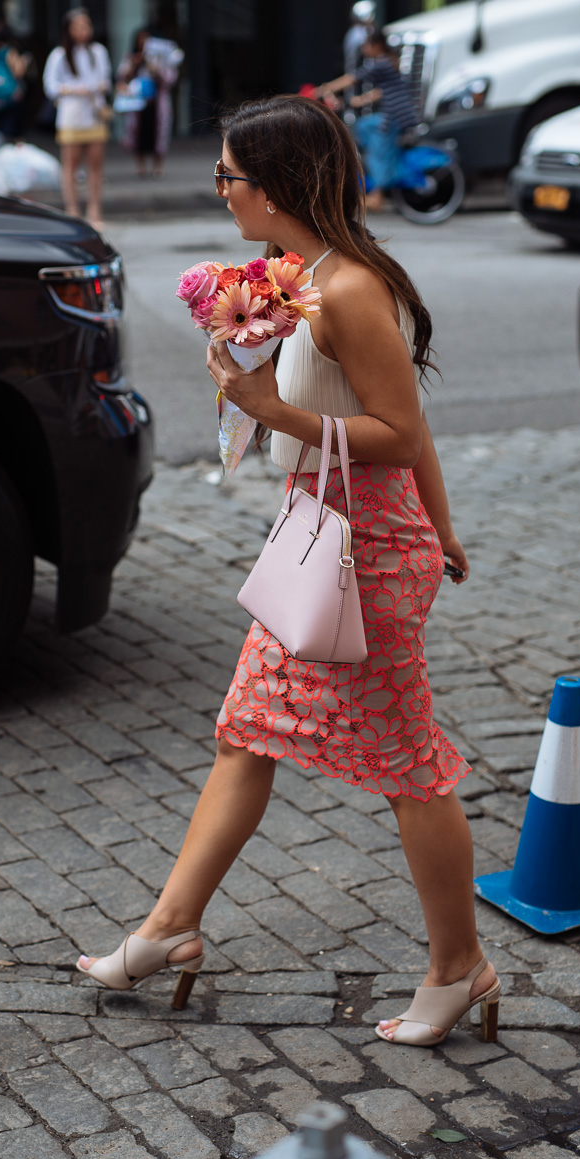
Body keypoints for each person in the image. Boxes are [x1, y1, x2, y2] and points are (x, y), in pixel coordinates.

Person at [77, 95, 500, 1051]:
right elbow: (402, 420)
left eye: (227, 176)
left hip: (369, 551)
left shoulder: (348, 287)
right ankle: (166, 929)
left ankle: (458, 966)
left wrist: (271, 408)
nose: (221, 191)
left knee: (409, 768)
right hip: (323, 535)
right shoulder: (297, 278)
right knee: (247, 733)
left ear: (272, 187)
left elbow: (398, 432)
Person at [319, 32, 420, 212]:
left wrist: (323, 88)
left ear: (377, 46)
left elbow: (352, 78)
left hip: (392, 117)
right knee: (364, 127)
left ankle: (378, 196)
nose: (364, 49)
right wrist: (356, 101)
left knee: (379, 148)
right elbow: (381, 92)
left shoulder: (381, 63)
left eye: (367, 45)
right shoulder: (390, 62)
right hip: (396, 114)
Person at [43, 9, 111, 225]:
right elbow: (50, 86)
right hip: (71, 116)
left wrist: (93, 88)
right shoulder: (59, 55)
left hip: (93, 114)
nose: (84, 31)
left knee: (95, 165)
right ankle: (72, 210)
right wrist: (74, 90)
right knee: (70, 166)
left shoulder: (98, 52)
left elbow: (106, 80)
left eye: (87, 25)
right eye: (79, 26)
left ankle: (94, 210)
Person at [115, 27, 179, 177]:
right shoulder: (131, 58)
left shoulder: (162, 59)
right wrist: (133, 64)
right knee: (138, 134)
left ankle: (158, 165)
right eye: (141, 40)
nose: (144, 43)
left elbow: (170, 79)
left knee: (159, 134)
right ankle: (141, 165)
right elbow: (121, 77)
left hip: (156, 103)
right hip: (137, 103)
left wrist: (155, 68)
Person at [0, 28, 33, 141]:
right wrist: (24, 61)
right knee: (13, 132)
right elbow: (19, 72)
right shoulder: (9, 51)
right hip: (11, 96)